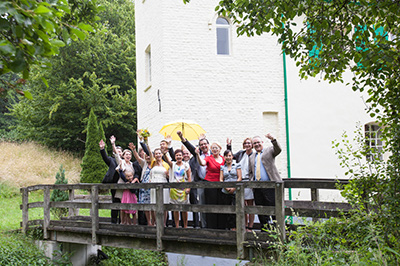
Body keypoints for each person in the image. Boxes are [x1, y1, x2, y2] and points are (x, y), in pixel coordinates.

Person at [248, 134, 282, 227]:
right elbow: (250, 172)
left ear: (262, 142)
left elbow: (278, 149)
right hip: (257, 187)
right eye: (254, 143)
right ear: (252, 145)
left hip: (270, 186)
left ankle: (277, 229)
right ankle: (264, 228)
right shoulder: (251, 156)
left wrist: (273, 139)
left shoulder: (269, 151)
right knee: (260, 209)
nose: (257, 144)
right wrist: (252, 182)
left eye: (258, 142)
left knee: (273, 208)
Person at [177, 131, 209, 228]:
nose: (203, 146)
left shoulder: (212, 154)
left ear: (208, 145)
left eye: (205, 144)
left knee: (212, 205)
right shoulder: (196, 155)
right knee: (201, 205)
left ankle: (212, 226)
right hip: (199, 182)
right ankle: (203, 226)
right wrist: (183, 138)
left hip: (212, 182)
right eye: (201, 145)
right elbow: (191, 148)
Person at [195, 142, 225, 229]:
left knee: (221, 205)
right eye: (213, 148)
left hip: (220, 184)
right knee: (211, 205)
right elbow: (202, 163)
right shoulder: (209, 158)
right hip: (210, 184)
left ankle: (221, 227)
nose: (215, 149)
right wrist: (197, 154)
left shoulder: (223, 158)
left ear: (220, 149)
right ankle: (211, 227)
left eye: (216, 148)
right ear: (211, 150)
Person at [227, 137, 255, 230]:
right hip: (241, 180)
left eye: (249, 143)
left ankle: (250, 226)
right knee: (243, 204)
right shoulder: (241, 154)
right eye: (246, 143)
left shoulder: (254, 155)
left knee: (250, 205)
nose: (247, 145)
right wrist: (229, 145)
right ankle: (244, 225)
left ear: (252, 145)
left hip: (249, 180)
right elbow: (231, 156)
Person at [129, 141, 155, 226]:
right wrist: (134, 150)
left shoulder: (154, 164)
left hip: (152, 188)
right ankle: (149, 222)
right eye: (146, 156)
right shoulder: (144, 164)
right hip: (144, 188)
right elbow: (138, 158)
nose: (147, 157)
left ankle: (154, 221)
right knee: (145, 206)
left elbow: (150, 153)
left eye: (149, 156)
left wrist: (146, 142)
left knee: (153, 206)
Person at [164, 149, 192, 228]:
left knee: (184, 209)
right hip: (174, 189)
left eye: (180, 155)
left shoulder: (186, 165)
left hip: (183, 190)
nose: (178, 157)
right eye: (177, 155)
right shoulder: (173, 165)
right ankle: (177, 226)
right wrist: (165, 153)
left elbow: (189, 177)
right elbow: (167, 160)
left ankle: (185, 226)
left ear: (182, 156)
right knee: (175, 209)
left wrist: (188, 188)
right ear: (175, 157)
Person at [99, 139, 122, 224]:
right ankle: (114, 221)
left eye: (120, 152)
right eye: (117, 151)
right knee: (115, 202)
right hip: (113, 184)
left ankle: (121, 221)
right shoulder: (111, 160)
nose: (118, 153)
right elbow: (105, 157)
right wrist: (102, 149)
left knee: (122, 204)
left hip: (122, 185)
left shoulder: (124, 162)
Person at [220, 149, 242, 230]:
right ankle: (228, 228)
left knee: (235, 209)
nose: (228, 157)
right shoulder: (222, 167)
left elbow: (239, 177)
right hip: (225, 191)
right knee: (227, 209)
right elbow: (221, 179)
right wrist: (226, 187)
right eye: (226, 156)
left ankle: (235, 227)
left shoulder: (237, 165)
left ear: (232, 156)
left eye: (229, 155)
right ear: (224, 157)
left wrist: (233, 188)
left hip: (235, 191)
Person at [149, 148, 170, 226]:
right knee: (154, 203)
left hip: (163, 182)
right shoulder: (153, 163)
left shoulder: (166, 164)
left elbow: (169, 176)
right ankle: (156, 222)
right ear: (154, 155)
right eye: (156, 153)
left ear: (161, 154)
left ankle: (163, 223)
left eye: (159, 153)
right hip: (154, 182)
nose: (158, 155)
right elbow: (150, 174)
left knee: (164, 203)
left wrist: (168, 175)